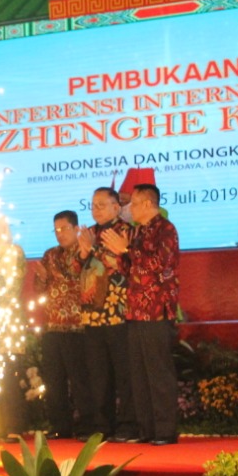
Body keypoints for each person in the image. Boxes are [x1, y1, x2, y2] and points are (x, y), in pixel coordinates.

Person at [102, 183, 181, 445]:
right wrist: (118, 255)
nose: (129, 209)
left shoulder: (165, 230)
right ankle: (147, 430)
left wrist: (126, 250)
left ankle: (165, 431)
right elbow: (132, 267)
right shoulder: (139, 231)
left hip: (156, 311)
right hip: (135, 311)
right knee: (139, 374)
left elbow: (159, 263)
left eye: (133, 203)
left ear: (148, 203)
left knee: (158, 373)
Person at [76, 186, 139, 442]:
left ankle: (128, 425)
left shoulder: (126, 232)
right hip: (92, 315)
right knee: (97, 374)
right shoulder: (90, 233)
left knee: (124, 373)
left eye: (102, 204)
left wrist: (92, 250)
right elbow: (79, 268)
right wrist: (82, 254)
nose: (96, 209)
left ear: (116, 207)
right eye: (93, 205)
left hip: (118, 313)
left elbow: (123, 265)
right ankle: (101, 425)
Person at [35, 210, 85, 439]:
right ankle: (59, 426)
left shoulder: (84, 253)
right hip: (52, 326)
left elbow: (78, 278)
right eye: (56, 230)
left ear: (76, 229)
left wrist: (56, 275)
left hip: (78, 327)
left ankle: (86, 425)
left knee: (80, 379)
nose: (60, 234)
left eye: (64, 229)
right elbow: (38, 290)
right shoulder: (49, 255)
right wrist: (44, 278)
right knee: (54, 381)